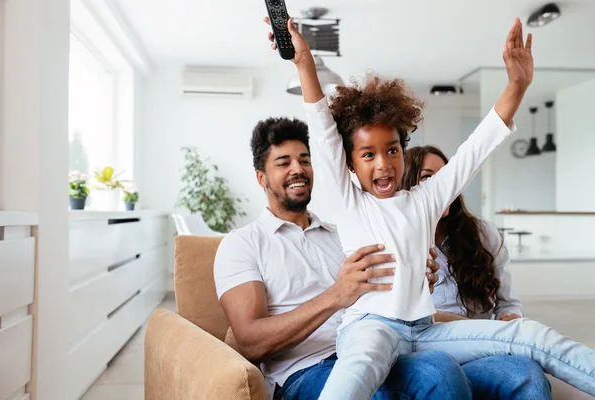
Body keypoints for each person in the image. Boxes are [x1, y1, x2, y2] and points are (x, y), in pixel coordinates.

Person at [267, 15, 595, 400]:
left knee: (529, 335)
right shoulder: (348, 200)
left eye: (392, 150)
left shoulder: (425, 199)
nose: (383, 163)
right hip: (370, 328)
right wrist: (304, 64)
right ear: (351, 165)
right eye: (368, 155)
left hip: (424, 329)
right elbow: (322, 128)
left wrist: (517, 86)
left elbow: (476, 147)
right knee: (351, 381)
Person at [214, 117, 557, 400]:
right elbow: (249, 340)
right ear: (261, 177)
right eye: (283, 162)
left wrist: (419, 286)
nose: (298, 169)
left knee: (522, 373)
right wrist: (337, 295)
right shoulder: (242, 244)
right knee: (437, 372)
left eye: (304, 159)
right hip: (308, 371)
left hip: (394, 350)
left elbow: (399, 309)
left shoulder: (346, 234)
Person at [402, 145, 553, 398]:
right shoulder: (395, 240)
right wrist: (475, 328)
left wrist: (510, 318)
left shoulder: (483, 234)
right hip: (427, 354)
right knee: (443, 375)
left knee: (528, 374)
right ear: (409, 185)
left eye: (447, 176)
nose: (441, 185)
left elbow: (508, 303)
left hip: (482, 351)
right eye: (428, 176)